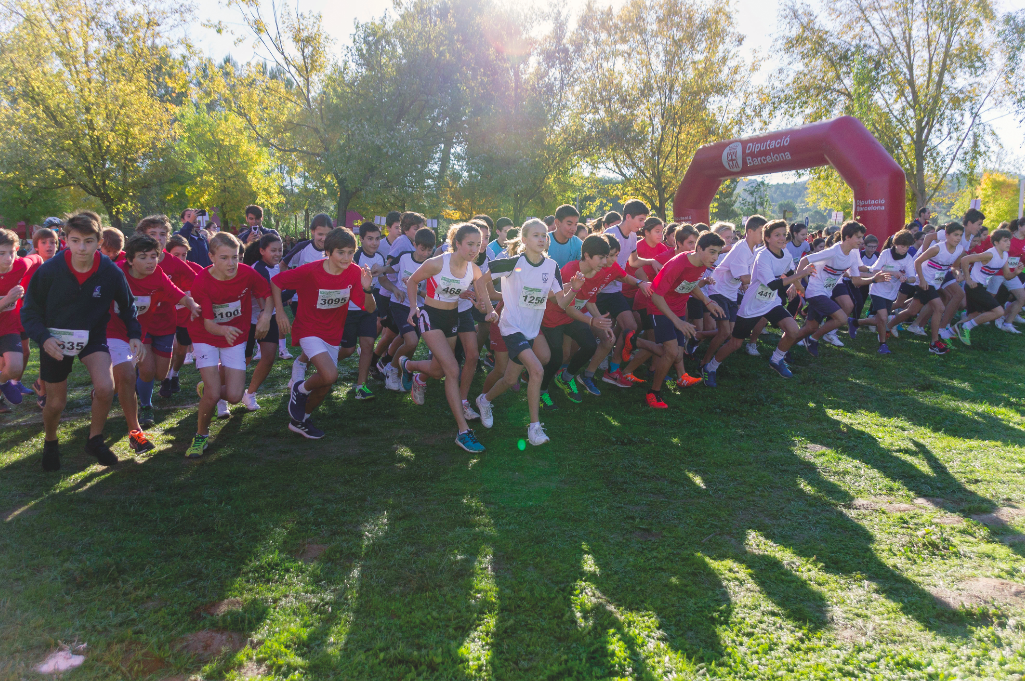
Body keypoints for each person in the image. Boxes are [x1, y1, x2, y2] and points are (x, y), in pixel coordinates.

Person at [21, 211, 142, 471]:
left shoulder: (110, 272)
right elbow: (29, 312)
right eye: (75, 241)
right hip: (54, 339)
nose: (82, 247)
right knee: (55, 403)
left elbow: (128, 305)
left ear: (99, 241)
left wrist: (133, 334)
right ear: (65, 239)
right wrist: (43, 338)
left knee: (105, 387)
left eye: (88, 241)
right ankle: (51, 441)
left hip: (92, 336)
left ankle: (95, 440)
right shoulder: (50, 270)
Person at [475, 219, 583, 446]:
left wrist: (574, 289)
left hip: (532, 330)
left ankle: (484, 400)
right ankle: (534, 429)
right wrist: (489, 309)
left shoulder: (551, 266)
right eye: (536, 235)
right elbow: (481, 282)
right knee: (536, 370)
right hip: (511, 326)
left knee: (510, 378)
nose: (542, 239)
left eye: (544, 235)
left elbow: (561, 302)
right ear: (524, 240)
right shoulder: (512, 263)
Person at [400, 223, 496, 452]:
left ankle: (408, 365)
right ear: (458, 243)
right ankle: (463, 432)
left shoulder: (474, 270)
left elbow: (482, 295)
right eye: (470, 244)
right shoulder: (437, 262)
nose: (475, 248)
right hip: (430, 317)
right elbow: (413, 281)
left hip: (452, 318)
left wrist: (485, 307)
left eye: (479, 243)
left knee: (438, 370)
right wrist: (413, 307)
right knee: (452, 369)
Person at [272, 228, 375, 439]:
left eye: (350, 252)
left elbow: (370, 309)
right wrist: (280, 313)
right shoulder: (311, 270)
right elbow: (276, 282)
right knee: (330, 375)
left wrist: (367, 289)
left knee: (326, 383)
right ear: (328, 252)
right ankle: (300, 389)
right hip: (309, 329)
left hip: (332, 333)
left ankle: (301, 421)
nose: (346, 258)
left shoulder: (355, 272)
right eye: (341, 252)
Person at [185, 232, 273, 457]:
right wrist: (224, 330)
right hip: (206, 336)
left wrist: (265, 315)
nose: (231, 263)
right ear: (211, 257)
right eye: (224, 258)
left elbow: (267, 293)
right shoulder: (202, 280)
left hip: (234, 337)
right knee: (214, 395)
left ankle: (207, 389)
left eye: (235, 257)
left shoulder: (246, 273)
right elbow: (208, 323)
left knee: (234, 396)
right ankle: (201, 435)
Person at [109, 234, 199, 451]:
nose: (151, 261)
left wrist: (192, 304)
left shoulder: (157, 274)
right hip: (112, 332)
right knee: (131, 377)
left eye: (154, 256)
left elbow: (176, 294)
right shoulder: (114, 273)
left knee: (159, 374)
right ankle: (135, 434)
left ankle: (106, 388)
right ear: (130, 260)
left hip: (138, 333)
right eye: (143, 257)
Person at [702, 221, 815, 387]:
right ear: (767, 238)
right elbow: (773, 285)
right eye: (777, 235)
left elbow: (789, 272)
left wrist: (799, 288)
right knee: (735, 343)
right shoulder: (762, 257)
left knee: (793, 330)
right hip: (752, 305)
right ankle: (710, 367)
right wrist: (802, 274)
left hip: (771, 302)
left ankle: (776, 360)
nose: (782, 238)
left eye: (784, 234)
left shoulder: (786, 254)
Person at [538, 235, 623, 408]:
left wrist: (599, 320)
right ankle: (541, 390)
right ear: (586, 256)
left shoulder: (599, 273)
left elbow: (589, 300)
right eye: (601, 257)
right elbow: (565, 306)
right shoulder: (570, 270)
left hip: (570, 316)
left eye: (606, 257)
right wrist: (592, 322)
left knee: (590, 345)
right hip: (553, 317)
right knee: (556, 358)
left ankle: (566, 378)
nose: (605, 261)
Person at [646, 232, 727, 404]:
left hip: (678, 309)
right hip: (660, 308)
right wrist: (677, 321)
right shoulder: (678, 264)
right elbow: (656, 296)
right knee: (671, 352)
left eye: (718, 253)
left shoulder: (701, 262)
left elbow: (691, 285)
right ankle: (653, 392)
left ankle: (681, 378)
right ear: (698, 248)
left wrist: (707, 301)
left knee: (677, 352)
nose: (715, 257)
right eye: (712, 252)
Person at [794, 221, 889, 357]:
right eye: (859, 237)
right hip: (815, 292)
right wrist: (797, 283)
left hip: (826, 293)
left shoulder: (853, 254)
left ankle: (783, 351)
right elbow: (805, 261)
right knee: (842, 318)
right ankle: (813, 339)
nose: (862, 241)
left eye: (862, 237)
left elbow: (856, 280)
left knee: (810, 327)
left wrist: (874, 279)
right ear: (847, 237)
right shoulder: (833, 251)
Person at [598, 200, 662, 385]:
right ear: (628, 217)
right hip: (599, 291)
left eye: (644, 220)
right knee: (592, 334)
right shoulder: (610, 234)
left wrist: (650, 262)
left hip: (615, 290)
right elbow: (609, 268)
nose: (643, 225)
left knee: (630, 327)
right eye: (641, 220)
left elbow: (632, 262)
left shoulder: (633, 236)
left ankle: (613, 369)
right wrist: (639, 282)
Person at [700, 217, 765, 376]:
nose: (765, 235)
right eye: (762, 231)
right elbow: (745, 278)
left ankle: (698, 336)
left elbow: (744, 278)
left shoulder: (752, 249)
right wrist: (768, 277)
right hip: (718, 290)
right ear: (750, 231)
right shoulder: (742, 249)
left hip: (730, 293)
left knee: (729, 332)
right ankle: (704, 363)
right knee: (724, 333)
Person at [888, 222, 966, 355]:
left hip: (935, 282)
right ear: (946, 235)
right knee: (939, 307)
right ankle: (934, 343)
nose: (958, 238)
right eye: (955, 235)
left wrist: (958, 274)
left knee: (912, 311)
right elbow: (917, 261)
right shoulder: (937, 248)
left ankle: (887, 326)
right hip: (924, 281)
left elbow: (955, 267)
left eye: (960, 235)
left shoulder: (960, 250)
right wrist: (922, 280)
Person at [282, 214, 334, 387]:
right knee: (311, 336)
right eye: (320, 234)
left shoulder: (334, 249)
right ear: (312, 232)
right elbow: (283, 265)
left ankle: (302, 364)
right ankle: (300, 366)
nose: (323, 238)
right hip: (301, 301)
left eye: (327, 234)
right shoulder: (303, 247)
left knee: (320, 337)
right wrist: (288, 287)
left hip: (326, 302)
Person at [340, 221, 386, 400]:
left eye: (377, 239)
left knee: (367, 346)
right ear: (361, 239)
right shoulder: (354, 257)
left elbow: (382, 281)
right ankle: (323, 366)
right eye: (370, 239)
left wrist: (395, 288)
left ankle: (361, 386)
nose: (374, 243)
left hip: (369, 308)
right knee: (348, 349)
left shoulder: (380, 258)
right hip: (350, 310)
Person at [954, 228, 1021, 345]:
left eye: (1009, 240)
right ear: (996, 242)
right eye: (1005, 241)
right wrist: (968, 279)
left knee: (974, 315)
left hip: (980, 286)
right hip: (973, 286)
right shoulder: (990, 254)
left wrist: (1016, 272)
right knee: (999, 311)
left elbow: (1007, 276)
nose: (1008, 243)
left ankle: (948, 333)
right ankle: (966, 327)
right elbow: (965, 259)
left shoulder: (1004, 255)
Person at [241, 233, 285, 410]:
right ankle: (219, 396)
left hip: (269, 317)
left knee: (268, 357)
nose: (277, 254)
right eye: (273, 250)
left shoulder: (276, 267)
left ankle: (249, 394)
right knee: (243, 361)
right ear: (261, 251)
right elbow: (265, 296)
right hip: (250, 320)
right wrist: (264, 317)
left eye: (280, 250)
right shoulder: (257, 268)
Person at [857, 229, 918, 354]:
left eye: (907, 247)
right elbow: (875, 270)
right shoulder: (886, 253)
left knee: (879, 319)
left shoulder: (908, 258)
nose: (904, 249)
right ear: (895, 244)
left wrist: (906, 278)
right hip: (877, 289)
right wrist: (893, 273)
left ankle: (854, 322)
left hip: (891, 293)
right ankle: (883, 344)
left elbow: (913, 278)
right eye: (902, 246)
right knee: (884, 318)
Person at [163, 234, 205, 396]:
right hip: (165, 320)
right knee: (169, 349)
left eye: (184, 255)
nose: (180, 259)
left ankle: (174, 375)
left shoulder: (195, 270)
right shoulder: (161, 271)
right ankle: (164, 379)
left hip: (185, 321)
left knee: (181, 352)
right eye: (176, 255)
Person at [0, 229, 31, 413]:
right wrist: (7, 300)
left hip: (8, 326)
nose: (7, 258)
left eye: (11, 252)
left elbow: (35, 260)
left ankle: (3, 383)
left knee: (15, 366)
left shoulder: (21, 265)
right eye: (1, 254)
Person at [546, 205, 583, 269]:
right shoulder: (544, 241)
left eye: (576, 224)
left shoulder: (578, 244)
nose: (574, 229)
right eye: (569, 224)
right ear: (557, 223)